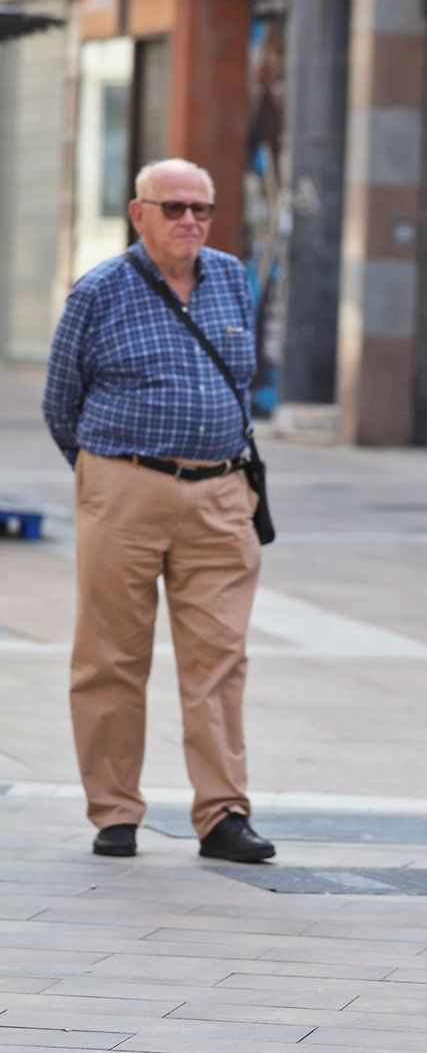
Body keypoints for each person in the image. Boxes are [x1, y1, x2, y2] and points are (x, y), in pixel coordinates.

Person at [41, 158, 276, 863]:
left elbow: (242, 376)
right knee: (111, 654)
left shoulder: (233, 277)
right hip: (125, 487)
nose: (189, 222)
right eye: (172, 208)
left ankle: (223, 813)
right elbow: (60, 404)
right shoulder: (99, 291)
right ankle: (115, 811)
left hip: (221, 492)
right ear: (138, 213)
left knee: (220, 658)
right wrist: (109, 478)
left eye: (200, 208)